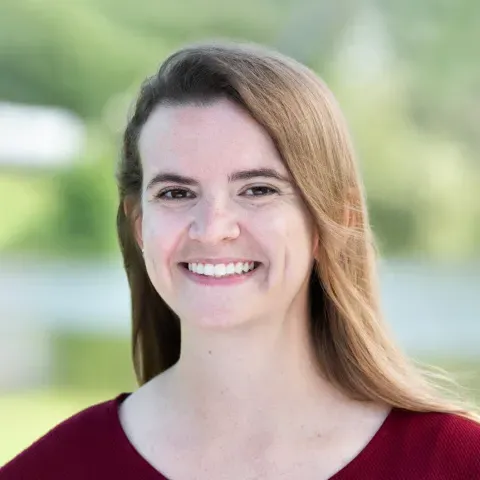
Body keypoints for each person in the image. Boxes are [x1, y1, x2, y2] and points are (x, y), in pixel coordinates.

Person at [1, 40, 479, 480]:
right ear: (139, 223)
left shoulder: (454, 463)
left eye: (257, 189)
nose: (212, 227)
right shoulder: (52, 469)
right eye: (175, 192)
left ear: (333, 218)